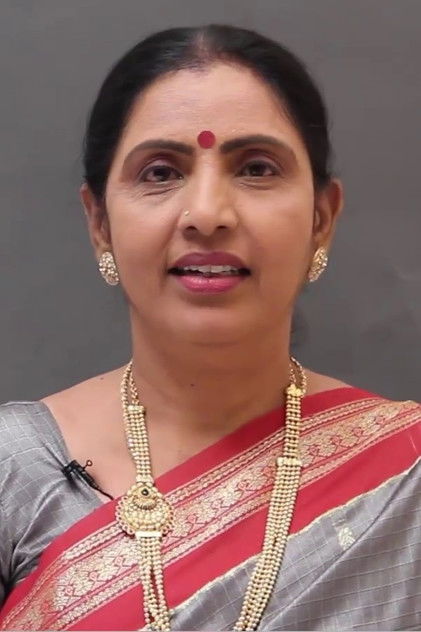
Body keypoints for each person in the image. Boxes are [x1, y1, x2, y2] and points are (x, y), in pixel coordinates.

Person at [0, 23, 419, 632]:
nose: (206, 214)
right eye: (160, 173)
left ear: (321, 219)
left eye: (256, 168)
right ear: (100, 224)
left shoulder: (406, 473)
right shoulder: (14, 468)